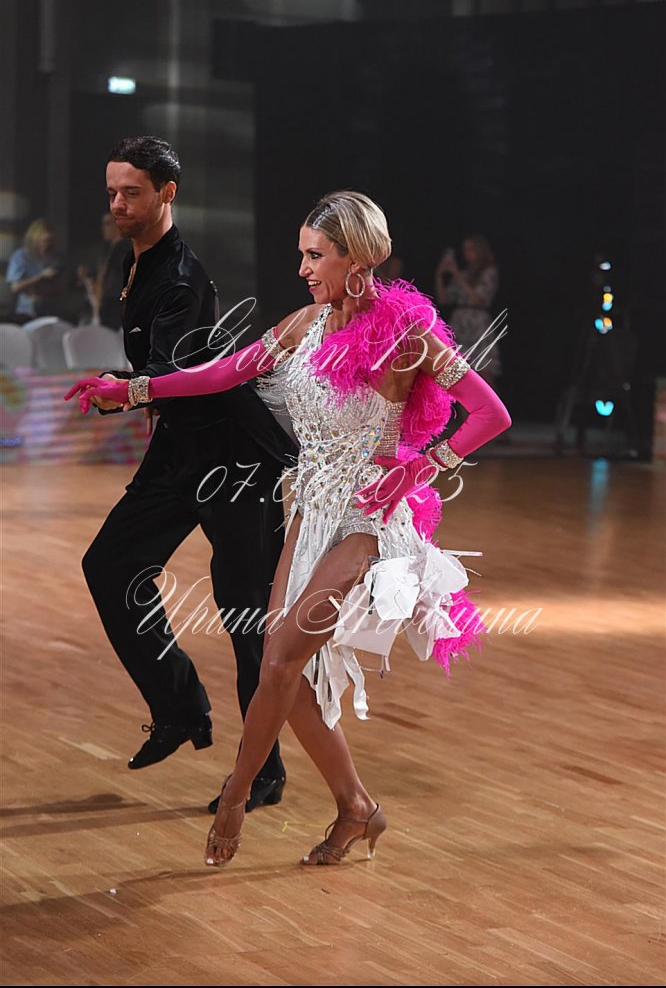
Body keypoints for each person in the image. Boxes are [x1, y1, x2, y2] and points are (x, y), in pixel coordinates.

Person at [67, 190, 511, 867]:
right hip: (309, 511)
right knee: (289, 675)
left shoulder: (407, 334)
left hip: (369, 515)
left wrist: (422, 467)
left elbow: (490, 413)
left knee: (276, 661)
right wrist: (132, 389)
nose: (302, 267)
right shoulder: (305, 324)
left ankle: (236, 796)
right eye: (301, 254)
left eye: (315, 255)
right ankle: (357, 806)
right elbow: (223, 373)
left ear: (354, 259)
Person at [67, 136, 297, 813]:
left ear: (167, 193)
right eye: (112, 192)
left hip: (235, 458)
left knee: (245, 611)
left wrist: (123, 389)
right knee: (110, 564)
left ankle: (264, 772)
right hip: (181, 450)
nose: (117, 204)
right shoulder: (133, 259)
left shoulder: (181, 276)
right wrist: (120, 385)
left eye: (131, 193)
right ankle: (179, 707)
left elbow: (171, 372)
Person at [434, 234, 501, 389]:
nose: (467, 253)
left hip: (478, 322)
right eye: (465, 250)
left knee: (484, 371)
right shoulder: (463, 274)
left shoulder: (489, 271)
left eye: (471, 249)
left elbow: (478, 298)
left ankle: (490, 405)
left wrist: (456, 273)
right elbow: (444, 299)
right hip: (460, 322)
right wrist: (440, 274)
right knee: (458, 373)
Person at [6, 218, 66, 320]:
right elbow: (15, 287)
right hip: (26, 311)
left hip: (50, 311)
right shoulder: (21, 256)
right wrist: (40, 277)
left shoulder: (56, 259)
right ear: (35, 239)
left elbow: (62, 288)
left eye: (50, 241)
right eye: (44, 241)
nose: (47, 245)